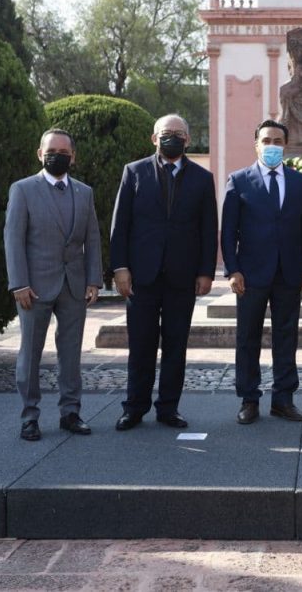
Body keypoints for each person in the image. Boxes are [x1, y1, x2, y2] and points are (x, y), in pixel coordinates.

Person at [109, 114, 218, 430]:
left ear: (188, 139)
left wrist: (206, 271)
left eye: (179, 133)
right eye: (167, 133)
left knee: (175, 344)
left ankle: (168, 407)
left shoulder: (202, 177)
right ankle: (134, 407)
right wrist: (120, 268)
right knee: (141, 344)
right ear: (154, 138)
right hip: (141, 275)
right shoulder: (134, 172)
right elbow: (121, 224)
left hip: (182, 276)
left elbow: (208, 228)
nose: (173, 138)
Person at [4, 129, 103, 441]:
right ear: (39, 154)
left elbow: (93, 238)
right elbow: (13, 238)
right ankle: (29, 416)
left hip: (74, 286)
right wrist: (18, 282)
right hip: (34, 287)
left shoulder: (84, 192)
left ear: (73, 157)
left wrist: (93, 280)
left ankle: (70, 412)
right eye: (51, 150)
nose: (57, 155)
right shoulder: (23, 190)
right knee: (30, 353)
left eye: (63, 151)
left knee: (71, 353)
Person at [221, 119, 302, 424]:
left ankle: (283, 399)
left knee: (286, 337)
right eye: (266, 140)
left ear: (284, 145)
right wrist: (232, 270)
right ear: (256, 144)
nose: (272, 145)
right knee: (248, 338)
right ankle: (249, 399)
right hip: (251, 274)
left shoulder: (300, 182)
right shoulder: (239, 180)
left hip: (289, 272)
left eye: (277, 140)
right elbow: (228, 231)